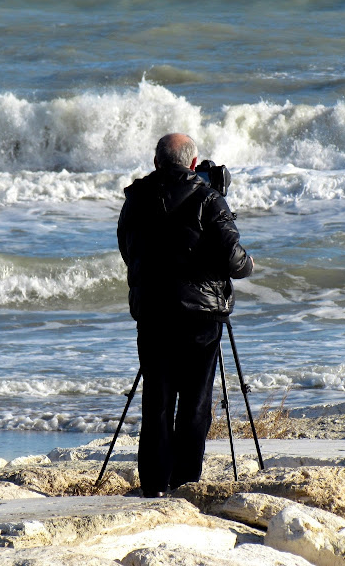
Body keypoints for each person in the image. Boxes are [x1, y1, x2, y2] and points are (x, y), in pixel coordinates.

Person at [117, 133, 254, 497]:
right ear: (194, 164)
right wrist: (248, 263)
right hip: (200, 317)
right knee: (195, 404)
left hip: (153, 313)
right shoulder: (209, 198)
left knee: (157, 401)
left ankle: (154, 486)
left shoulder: (135, 198)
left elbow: (127, 250)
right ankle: (185, 484)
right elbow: (234, 260)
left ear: (156, 160)